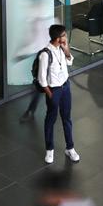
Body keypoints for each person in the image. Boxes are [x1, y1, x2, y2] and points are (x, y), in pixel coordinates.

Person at [36, 25, 80, 165]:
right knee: (51, 119)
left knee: (67, 118)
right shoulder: (45, 54)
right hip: (54, 90)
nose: (66, 37)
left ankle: (70, 148)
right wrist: (50, 95)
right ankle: (49, 150)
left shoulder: (62, 48)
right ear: (57, 38)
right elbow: (42, 79)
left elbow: (70, 61)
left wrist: (66, 50)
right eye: (64, 35)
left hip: (65, 87)